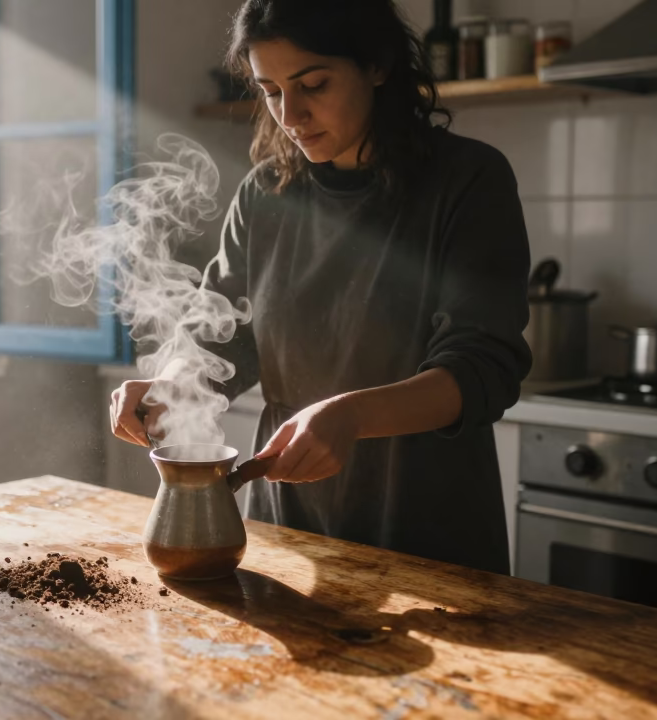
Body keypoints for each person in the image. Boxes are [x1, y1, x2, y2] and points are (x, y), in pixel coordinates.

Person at [110, 0, 531, 574]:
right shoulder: (266, 193)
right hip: (290, 515)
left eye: (313, 84)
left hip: (425, 514)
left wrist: (351, 417)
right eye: (272, 90)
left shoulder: (468, 181)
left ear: (378, 65)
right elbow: (225, 341)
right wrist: (169, 387)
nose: (291, 113)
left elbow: (483, 367)